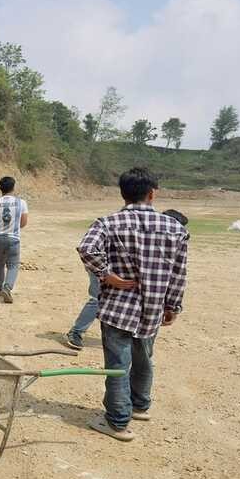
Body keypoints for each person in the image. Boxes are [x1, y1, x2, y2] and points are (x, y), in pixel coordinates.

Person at [77, 167, 189, 442]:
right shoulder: (175, 228)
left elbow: (87, 248)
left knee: (118, 364)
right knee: (143, 359)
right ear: (152, 194)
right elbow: (178, 273)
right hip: (152, 309)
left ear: (123, 193)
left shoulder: (108, 222)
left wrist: (106, 275)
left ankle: (117, 421)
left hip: (117, 308)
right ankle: (139, 406)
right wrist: (172, 306)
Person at [65, 209, 189, 351]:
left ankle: (126, 334)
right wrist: (105, 273)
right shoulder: (144, 227)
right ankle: (76, 332)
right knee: (97, 299)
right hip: (103, 266)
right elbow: (88, 249)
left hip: (117, 270)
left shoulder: (156, 232)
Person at [0, 176, 28, 303]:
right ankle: (7, 287)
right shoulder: (21, 203)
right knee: (13, 265)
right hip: (13, 237)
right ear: (13, 187)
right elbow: (23, 223)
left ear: (0, 188)